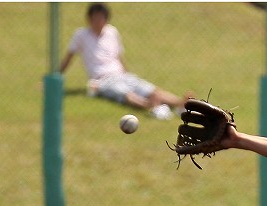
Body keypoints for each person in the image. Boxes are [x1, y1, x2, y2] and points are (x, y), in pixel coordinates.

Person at [60, 3, 193, 119]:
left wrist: (127, 74)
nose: (98, 21)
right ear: (89, 18)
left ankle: (180, 103)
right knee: (126, 94)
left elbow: (118, 56)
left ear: (106, 18)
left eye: (101, 17)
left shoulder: (112, 32)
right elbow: (69, 57)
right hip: (101, 80)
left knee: (151, 90)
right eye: (95, 18)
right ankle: (150, 105)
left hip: (121, 75)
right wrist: (56, 78)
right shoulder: (81, 35)